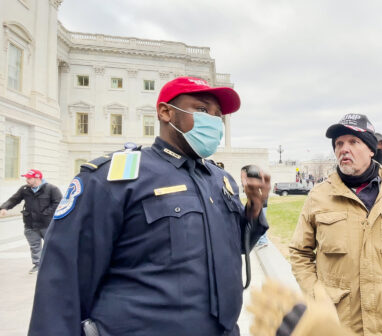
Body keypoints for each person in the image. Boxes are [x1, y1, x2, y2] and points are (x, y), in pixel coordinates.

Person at [28, 77, 270, 336]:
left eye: (217, 115)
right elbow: (63, 280)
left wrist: (254, 212)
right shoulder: (116, 177)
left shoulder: (221, 179)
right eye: (201, 110)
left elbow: (232, 248)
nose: (213, 121)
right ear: (166, 112)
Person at [289, 113, 382, 336]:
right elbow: (299, 252)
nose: (344, 149)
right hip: (338, 323)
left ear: (371, 149)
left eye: (353, 142)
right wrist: (315, 294)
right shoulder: (318, 197)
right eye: (339, 144)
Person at [0, 169, 62, 274]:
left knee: (51, 245)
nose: (27, 180)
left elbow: (58, 203)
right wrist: (4, 208)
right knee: (34, 246)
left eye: (29, 178)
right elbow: (14, 200)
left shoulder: (51, 189)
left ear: (37, 178)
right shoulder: (24, 189)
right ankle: (38, 265)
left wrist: (46, 213)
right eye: (26, 178)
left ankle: (54, 265)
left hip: (47, 224)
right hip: (30, 224)